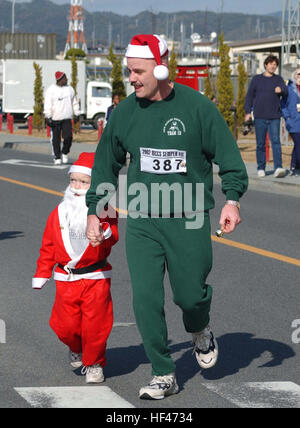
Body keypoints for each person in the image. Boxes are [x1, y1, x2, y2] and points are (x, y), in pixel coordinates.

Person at [86, 34, 248, 400]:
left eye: (138, 71)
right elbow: (105, 165)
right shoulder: (125, 113)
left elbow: (230, 160)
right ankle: (163, 372)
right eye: (129, 71)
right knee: (145, 299)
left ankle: (200, 328)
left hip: (189, 216)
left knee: (190, 296)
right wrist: (97, 210)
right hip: (143, 219)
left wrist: (232, 200)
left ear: (160, 69)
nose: (132, 78)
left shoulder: (196, 108)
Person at [32, 152, 118, 383]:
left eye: (84, 181)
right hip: (66, 278)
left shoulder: (105, 208)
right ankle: (76, 346)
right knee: (64, 325)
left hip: (96, 276)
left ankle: (94, 364)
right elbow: (48, 246)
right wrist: (42, 273)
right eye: (73, 180)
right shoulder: (59, 212)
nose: (77, 186)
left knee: (96, 325)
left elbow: (113, 236)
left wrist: (105, 234)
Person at [244, 55, 287, 178]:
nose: (273, 66)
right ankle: (261, 168)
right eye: (271, 64)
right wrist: (247, 112)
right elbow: (249, 97)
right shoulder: (256, 79)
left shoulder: (278, 79)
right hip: (260, 116)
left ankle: (278, 167)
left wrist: (281, 90)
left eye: (275, 65)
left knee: (276, 142)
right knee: (260, 144)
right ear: (266, 65)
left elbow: (286, 91)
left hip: (274, 116)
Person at [44, 71, 80, 165]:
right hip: (55, 118)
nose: (66, 79)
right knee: (56, 139)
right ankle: (57, 157)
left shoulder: (70, 89)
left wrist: (77, 113)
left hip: (67, 118)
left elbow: (74, 102)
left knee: (68, 137)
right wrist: (48, 116)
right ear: (59, 79)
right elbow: (47, 104)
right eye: (64, 78)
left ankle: (64, 152)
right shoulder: (51, 90)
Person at [280, 68, 300, 176]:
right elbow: (282, 104)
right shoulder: (289, 88)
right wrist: (287, 118)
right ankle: (296, 168)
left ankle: (294, 167)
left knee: (297, 145)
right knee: (298, 143)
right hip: (293, 121)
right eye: (298, 74)